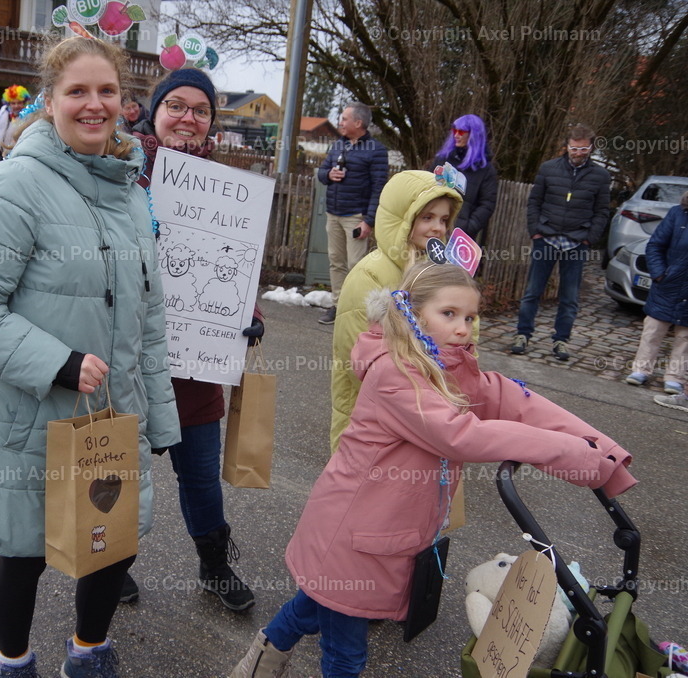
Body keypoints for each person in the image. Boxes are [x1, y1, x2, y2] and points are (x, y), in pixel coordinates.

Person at [231, 263, 637, 678]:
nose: (463, 328)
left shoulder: (446, 366)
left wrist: (600, 452)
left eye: (470, 317)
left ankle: (260, 662)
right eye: (449, 314)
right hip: (353, 538)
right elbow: (460, 436)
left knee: (313, 608)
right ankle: (262, 661)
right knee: (345, 653)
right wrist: (570, 453)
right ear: (413, 311)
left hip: (381, 533)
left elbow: (515, 401)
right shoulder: (396, 372)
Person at [0, 36, 180, 678]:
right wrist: (59, 363)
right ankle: (14, 663)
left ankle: (88, 651)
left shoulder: (131, 191)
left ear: (124, 103)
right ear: (50, 101)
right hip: (29, 417)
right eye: (77, 91)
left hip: (110, 417)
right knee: (24, 554)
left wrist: (158, 415)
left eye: (106, 91)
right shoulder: (14, 185)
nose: (93, 105)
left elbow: (150, 317)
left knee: (108, 546)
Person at [126, 67, 261, 612]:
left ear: (210, 123)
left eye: (200, 110)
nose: (188, 118)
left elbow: (236, 265)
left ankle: (213, 564)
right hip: (130, 359)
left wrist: (246, 311)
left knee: (202, 476)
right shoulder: (121, 174)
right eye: (176, 106)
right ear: (155, 113)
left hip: (195, 363)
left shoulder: (229, 191)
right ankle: (107, 564)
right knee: (118, 468)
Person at [329, 170, 461, 452]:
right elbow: (358, 361)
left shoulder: (439, 273)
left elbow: (462, 340)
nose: (438, 227)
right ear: (403, 218)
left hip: (430, 417)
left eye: (444, 219)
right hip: (372, 426)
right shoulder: (370, 276)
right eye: (427, 217)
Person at [510, 123, 609, 361]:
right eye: (574, 149)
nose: (578, 153)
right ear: (567, 146)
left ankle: (561, 341)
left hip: (577, 242)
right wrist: (536, 231)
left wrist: (589, 239)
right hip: (546, 237)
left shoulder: (601, 176)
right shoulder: (548, 168)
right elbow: (534, 202)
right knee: (533, 291)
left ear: (591, 148)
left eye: (583, 150)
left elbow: (602, 211)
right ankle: (522, 335)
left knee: (569, 296)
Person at [316, 102, 389, 324]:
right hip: (333, 214)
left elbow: (379, 187)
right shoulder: (338, 145)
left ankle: (354, 310)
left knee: (355, 266)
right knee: (336, 262)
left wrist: (369, 221)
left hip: (356, 218)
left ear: (358, 122)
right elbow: (321, 173)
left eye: (344, 118)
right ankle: (337, 306)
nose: (340, 122)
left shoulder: (377, 150)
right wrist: (329, 174)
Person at [626, 190, 688, 396]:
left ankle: (675, 377)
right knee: (653, 329)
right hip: (669, 283)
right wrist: (660, 274)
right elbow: (655, 246)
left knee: (685, 336)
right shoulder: (677, 214)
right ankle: (641, 370)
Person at [428, 114, 498, 243]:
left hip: (459, 237)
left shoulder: (486, 170)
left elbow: (487, 204)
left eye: (461, 131)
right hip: (432, 228)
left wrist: (466, 228)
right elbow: (427, 186)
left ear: (473, 136)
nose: (456, 135)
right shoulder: (442, 160)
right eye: (454, 130)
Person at [0, 84, 31, 158]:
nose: (16, 106)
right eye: (13, 103)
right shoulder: (2, 113)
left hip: (17, 154)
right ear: (8, 104)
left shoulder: (28, 117)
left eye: (19, 103)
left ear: (24, 103)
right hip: (0, 153)